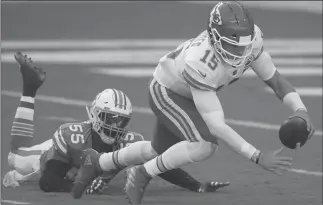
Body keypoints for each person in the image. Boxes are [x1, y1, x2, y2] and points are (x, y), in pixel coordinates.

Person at [71, 1, 316, 204]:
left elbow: (276, 80)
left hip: (188, 91)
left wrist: (301, 110)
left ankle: (98, 161)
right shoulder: (200, 61)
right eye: (232, 44)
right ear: (214, 36)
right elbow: (217, 126)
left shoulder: (250, 42)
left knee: (157, 151)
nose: (240, 52)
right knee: (205, 145)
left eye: (243, 44)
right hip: (168, 91)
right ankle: (142, 173)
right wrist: (257, 156)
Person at [3, 52, 229, 195]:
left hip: (80, 166)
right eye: (110, 118)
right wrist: (79, 186)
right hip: (43, 161)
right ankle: (29, 89)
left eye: (122, 120)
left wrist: (197, 186)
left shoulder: (129, 142)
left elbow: (162, 165)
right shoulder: (72, 138)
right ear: (95, 116)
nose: (116, 125)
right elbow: (48, 181)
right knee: (16, 158)